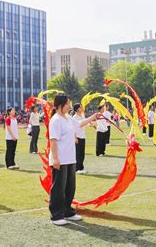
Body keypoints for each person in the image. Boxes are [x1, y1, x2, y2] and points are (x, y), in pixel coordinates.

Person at [48, 94, 99, 226]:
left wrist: (93, 117)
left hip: (70, 159)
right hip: (60, 159)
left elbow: (79, 124)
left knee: (70, 187)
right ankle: (56, 215)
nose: (69, 106)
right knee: (58, 188)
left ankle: (68, 211)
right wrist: (55, 159)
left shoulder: (67, 118)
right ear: (60, 105)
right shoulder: (55, 120)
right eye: (67, 104)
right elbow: (53, 140)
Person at [73, 103, 88, 174]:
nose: (82, 108)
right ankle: (77, 168)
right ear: (77, 109)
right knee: (78, 153)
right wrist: (75, 138)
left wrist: (90, 124)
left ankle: (81, 167)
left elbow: (85, 122)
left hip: (83, 136)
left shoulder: (82, 115)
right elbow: (73, 129)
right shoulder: (74, 117)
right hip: (77, 137)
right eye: (80, 107)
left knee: (82, 153)